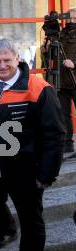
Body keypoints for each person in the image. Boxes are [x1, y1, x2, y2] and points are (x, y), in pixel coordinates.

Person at [0, 39, 65, 251]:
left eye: (7, 60)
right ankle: (7, 228)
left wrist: (47, 174)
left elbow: (55, 134)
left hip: (27, 169)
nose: (2, 65)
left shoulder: (38, 87)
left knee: (31, 220)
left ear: (18, 58)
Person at [58, 7, 76, 153]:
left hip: (74, 77)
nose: (71, 21)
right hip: (63, 80)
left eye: (75, 18)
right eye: (69, 18)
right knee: (64, 114)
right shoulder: (61, 33)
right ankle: (67, 143)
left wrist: (74, 63)